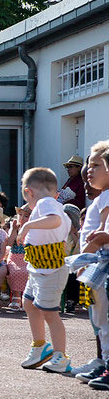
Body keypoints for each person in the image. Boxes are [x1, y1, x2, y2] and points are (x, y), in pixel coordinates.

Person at [18, 167, 72, 373]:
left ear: (28, 192)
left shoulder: (46, 202)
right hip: (39, 267)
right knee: (29, 303)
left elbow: (55, 221)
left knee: (50, 313)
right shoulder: (50, 203)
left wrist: (27, 227)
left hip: (51, 269)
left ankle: (60, 355)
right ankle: (40, 346)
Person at [71, 143, 109, 386]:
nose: (88, 170)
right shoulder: (100, 198)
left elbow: (103, 233)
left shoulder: (106, 196)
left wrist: (86, 257)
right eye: (89, 165)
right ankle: (105, 364)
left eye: (96, 165)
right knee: (100, 319)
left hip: (102, 263)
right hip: (97, 262)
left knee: (105, 318)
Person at [5, 204, 31, 312]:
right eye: (20, 215)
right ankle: (16, 296)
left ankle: (26, 297)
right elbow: (10, 243)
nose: (22, 218)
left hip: (27, 256)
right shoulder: (14, 226)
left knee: (27, 271)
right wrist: (14, 230)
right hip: (14, 256)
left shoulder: (32, 229)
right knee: (14, 271)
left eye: (26, 216)